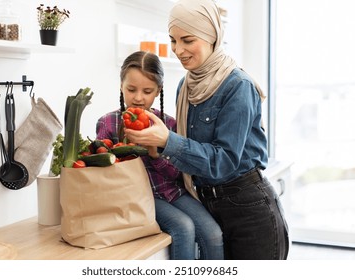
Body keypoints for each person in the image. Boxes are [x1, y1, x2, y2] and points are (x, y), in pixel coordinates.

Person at [124, 0, 289, 260]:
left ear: (211, 36)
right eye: (173, 40)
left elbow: (224, 160)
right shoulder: (185, 86)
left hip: (249, 212)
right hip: (208, 205)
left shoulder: (238, 86)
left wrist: (167, 141)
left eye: (187, 40)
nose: (178, 50)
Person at [96, 50, 223, 260]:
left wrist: (155, 154)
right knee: (184, 228)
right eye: (131, 89)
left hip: (172, 192)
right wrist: (124, 150)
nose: (138, 98)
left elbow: (176, 174)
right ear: (121, 86)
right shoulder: (108, 123)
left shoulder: (168, 124)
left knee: (213, 234)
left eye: (147, 91)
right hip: (137, 198)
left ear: (158, 91)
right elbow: (105, 175)